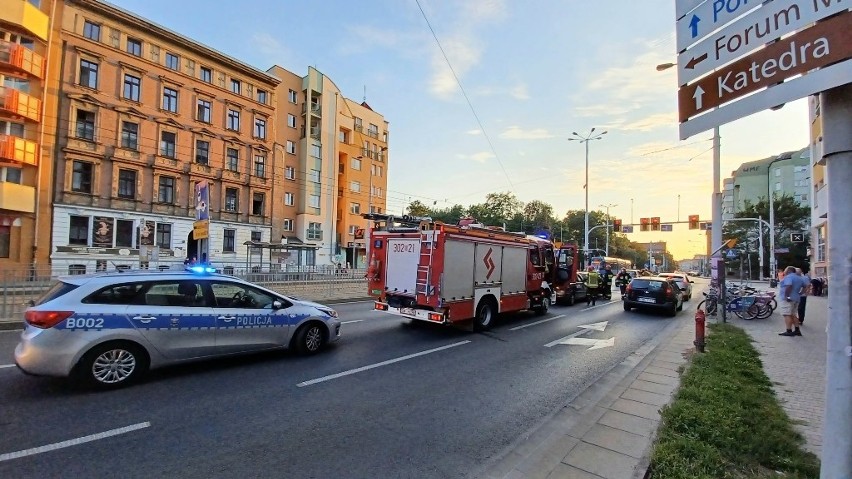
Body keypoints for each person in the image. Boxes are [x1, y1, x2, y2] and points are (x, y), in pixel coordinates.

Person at [778, 265, 802, 337]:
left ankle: (789, 330)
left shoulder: (789, 277)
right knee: (793, 314)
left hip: (788, 299)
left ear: (789, 270)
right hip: (796, 298)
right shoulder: (799, 277)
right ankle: (797, 330)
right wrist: (800, 293)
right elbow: (805, 285)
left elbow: (789, 285)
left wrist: (787, 296)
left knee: (787, 314)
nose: (784, 271)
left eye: (785, 270)